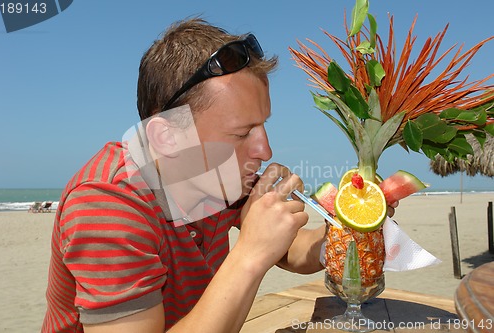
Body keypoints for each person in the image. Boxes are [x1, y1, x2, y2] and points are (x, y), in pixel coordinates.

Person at [42, 18, 395, 333]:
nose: (265, 151)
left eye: (263, 126)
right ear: (167, 138)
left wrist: (345, 236)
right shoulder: (107, 206)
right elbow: (259, 249)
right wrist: (250, 255)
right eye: (242, 134)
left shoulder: (216, 177)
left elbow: (293, 249)